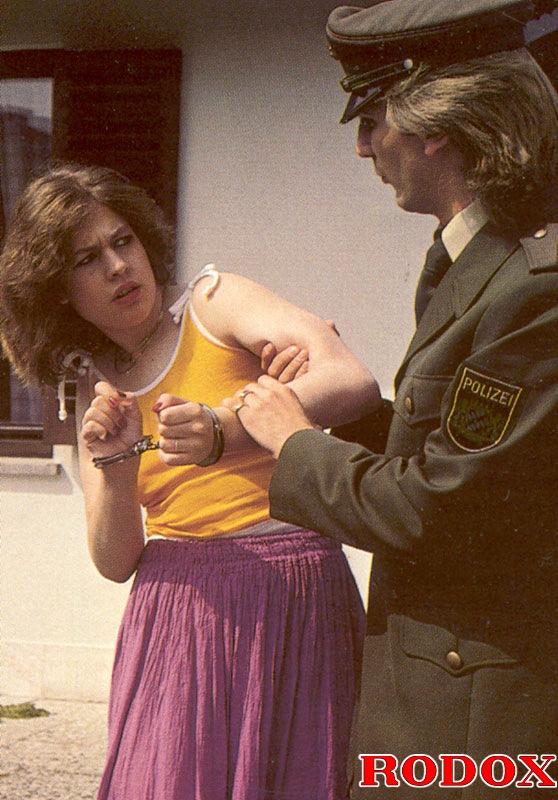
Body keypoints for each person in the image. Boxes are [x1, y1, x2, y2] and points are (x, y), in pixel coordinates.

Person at [228, 1, 558, 797]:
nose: (363, 146)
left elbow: (438, 508)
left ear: (434, 127)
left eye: (372, 119)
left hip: (476, 722)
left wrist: (295, 442)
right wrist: (347, 409)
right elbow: (460, 456)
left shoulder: (530, 290)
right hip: (440, 695)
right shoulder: (474, 265)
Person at [0, 162, 379, 800]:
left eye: (123, 241)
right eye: (87, 259)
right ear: (57, 290)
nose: (118, 266)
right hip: (177, 611)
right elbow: (115, 561)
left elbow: (351, 379)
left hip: (290, 588)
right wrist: (116, 466)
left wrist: (224, 427)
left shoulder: (212, 301)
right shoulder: (88, 379)